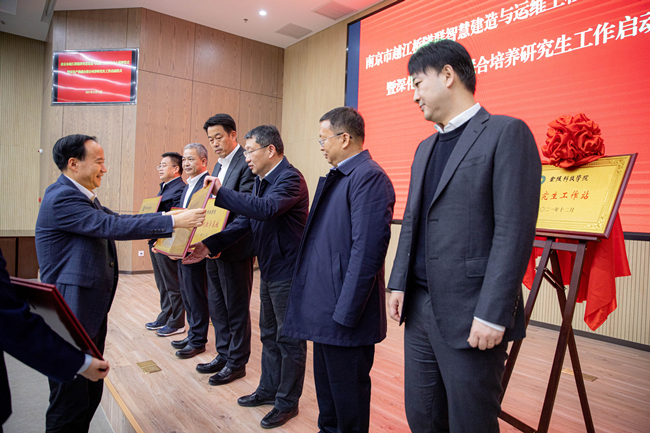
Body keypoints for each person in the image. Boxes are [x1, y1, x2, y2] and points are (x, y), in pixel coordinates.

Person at [386, 39, 541, 433]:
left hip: (473, 312)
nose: (415, 96)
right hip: (419, 308)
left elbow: (513, 231)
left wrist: (493, 312)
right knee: (422, 417)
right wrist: (398, 282)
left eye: (418, 84)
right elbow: (413, 220)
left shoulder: (506, 133)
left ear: (448, 75)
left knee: (471, 422)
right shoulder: (425, 148)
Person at [35, 134, 205, 433]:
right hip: (71, 310)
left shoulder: (80, 195)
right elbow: (111, 225)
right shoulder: (63, 197)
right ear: (74, 163)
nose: (104, 168)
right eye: (99, 162)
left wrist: (167, 216)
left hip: (86, 309)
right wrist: (173, 222)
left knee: (89, 393)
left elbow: (118, 218)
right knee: (70, 401)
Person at [184, 125, 309, 429]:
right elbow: (246, 222)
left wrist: (220, 192)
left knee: (289, 340)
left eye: (250, 151)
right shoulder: (261, 181)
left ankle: (286, 402)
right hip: (270, 268)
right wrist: (209, 244)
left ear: (270, 150)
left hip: (288, 272)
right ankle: (268, 389)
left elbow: (265, 210)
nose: (247, 157)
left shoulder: (290, 179)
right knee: (269, 334)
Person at [282, 107, 395, 433]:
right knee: (329, 401)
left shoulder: (369, 177)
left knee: (349, 404)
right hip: (327, 313)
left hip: (345, 317)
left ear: (344, 138)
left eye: (323, 139)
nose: (321, 146)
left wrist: (345, 314)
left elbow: (367, 252)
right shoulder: (344, 176)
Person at [0, 246, 109, 431]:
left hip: (90, 317)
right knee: (69, 410)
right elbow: (8, 318)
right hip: (71, 316)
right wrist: (79, 363)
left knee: (84, 404)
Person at [190, 114, 255, 385]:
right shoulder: (217, 166)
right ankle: (223, 353)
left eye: (219, 137)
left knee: (236, 308)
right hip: (212, 246)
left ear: (233, 135)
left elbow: (246, 211)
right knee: (217, 306)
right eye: (210, 139)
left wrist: (215, 243)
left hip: (234, 247)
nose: (215, 143)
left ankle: (237, 362)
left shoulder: (246, 164)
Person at [172, 143, 212, 359]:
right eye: (184, 159)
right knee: (187, 294)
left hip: (196, 248)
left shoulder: (208, 185)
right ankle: (192, 334)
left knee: (196, 296)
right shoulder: (188, 185)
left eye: (190, 159)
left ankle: (198, 340)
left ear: (203, 161)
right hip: (183, 248)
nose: (185, 163)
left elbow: (209, 219)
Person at [145, 152, 187, 337]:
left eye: (163, 165)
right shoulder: (164, 187)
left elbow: (177, 218)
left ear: (175, 168)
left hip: (166, 243)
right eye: (159, 166)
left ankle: (177, 322)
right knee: (162, 283)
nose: (160, 169)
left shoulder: (180, 189)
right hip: (155, 241)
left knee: (172, 284)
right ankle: (165, 315)